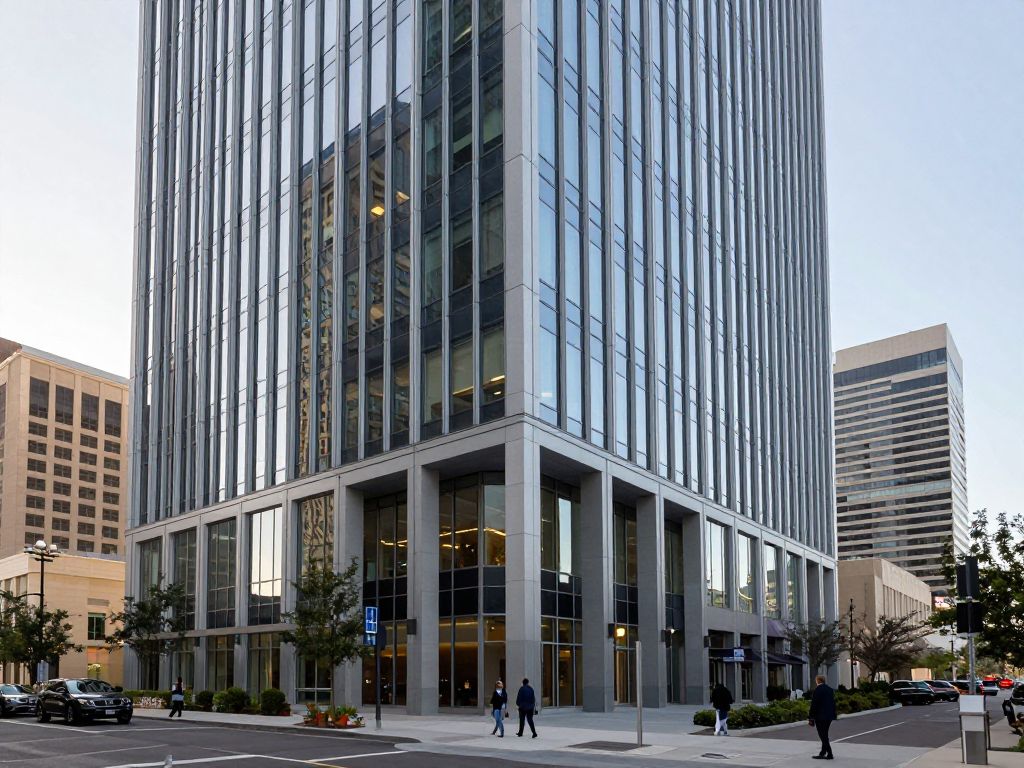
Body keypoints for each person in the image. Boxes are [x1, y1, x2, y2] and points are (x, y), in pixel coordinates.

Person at [808, 674, 836, 760]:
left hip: (820, 716)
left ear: (818, 681)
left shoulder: (817, 690)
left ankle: (830, 753)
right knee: (825, 734)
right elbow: (833, 703)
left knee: (822, 735)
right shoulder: (830, 689)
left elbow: (814, 704)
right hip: (829, 716)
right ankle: (823, 752)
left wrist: (811, 717)